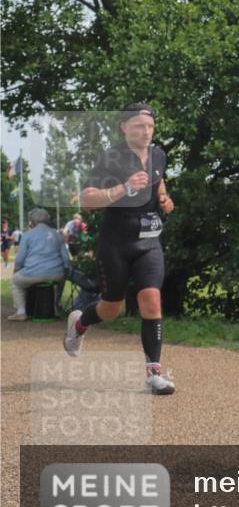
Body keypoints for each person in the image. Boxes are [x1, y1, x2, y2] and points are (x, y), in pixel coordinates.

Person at [62, 103, 176, 395]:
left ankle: (153, 374)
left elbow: (158, 181)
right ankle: (80, 324)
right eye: (139, 126)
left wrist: (164, 199)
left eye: (150, 126)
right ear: (124, 127)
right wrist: (123, 188)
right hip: (116, 243)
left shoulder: (158, 154)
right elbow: (86, 200)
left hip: (149, 242)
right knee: (112, 308)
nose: (146, 132)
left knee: (152, 300)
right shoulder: (111, 159)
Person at [8, 209, 70, 321]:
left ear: (32, 222)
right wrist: (65, 271)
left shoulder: (27, 235)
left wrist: (17, 269)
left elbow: (20, 259)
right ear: (47, 220)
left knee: (15, 282)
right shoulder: (57, 235)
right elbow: (66, 259)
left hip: (32, 274)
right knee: (60, 281)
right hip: (56, 274)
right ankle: (56, 306)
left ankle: (21, 312)